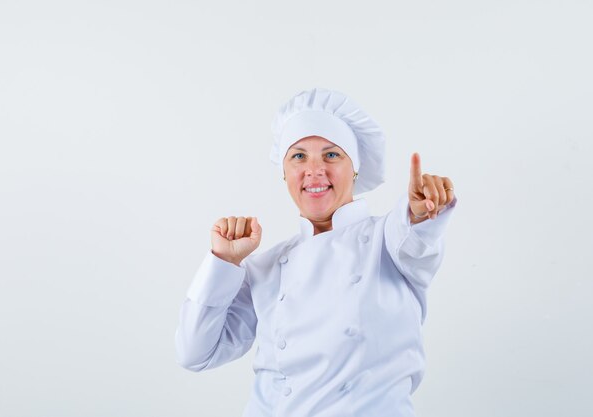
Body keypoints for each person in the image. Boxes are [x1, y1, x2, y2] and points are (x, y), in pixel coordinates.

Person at [174, 87, 457, 416]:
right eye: (298, 156)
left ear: (355, 168)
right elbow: (194, 353)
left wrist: (420, 213)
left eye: (331, 154)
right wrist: (223, 261)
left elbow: (415, 242)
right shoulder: (265, 266)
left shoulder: (389, 239)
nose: (314, 169)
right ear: (284, 172)